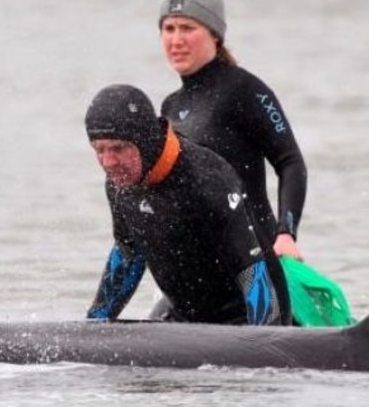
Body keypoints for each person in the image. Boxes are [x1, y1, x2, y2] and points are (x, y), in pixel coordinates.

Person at [84, 84, 290, 326]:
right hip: (183, 320)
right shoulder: (120, 184)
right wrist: (94, 326)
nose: (108, 162)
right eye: (99, 150)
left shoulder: (206, 178)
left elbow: (251, 271)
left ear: (145, 140)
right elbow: (129, 254)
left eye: (118, 148)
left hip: (243, 319)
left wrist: (266, 341)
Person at [157, 0, 308, 262]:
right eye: (168, 28)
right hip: (203, 266)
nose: (176, 40)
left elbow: (290, 162)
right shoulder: (170, 106)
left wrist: (286, 234)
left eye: (188, 28)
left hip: (255, 258)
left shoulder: (244, 89)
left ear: (214, 34)